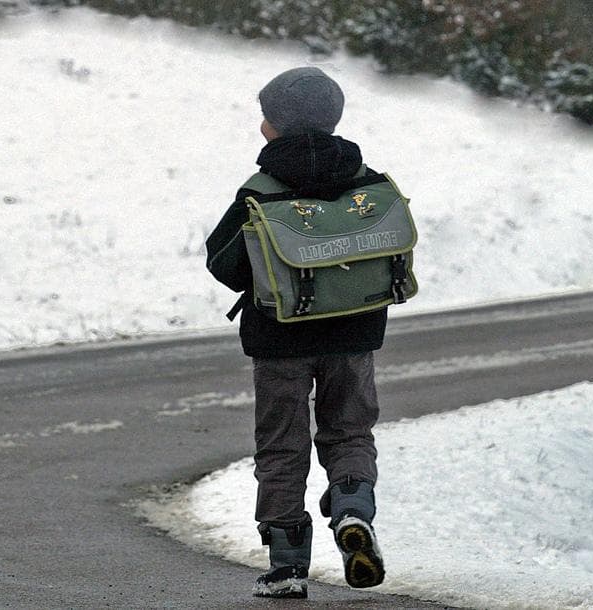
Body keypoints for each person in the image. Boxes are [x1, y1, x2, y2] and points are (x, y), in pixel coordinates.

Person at [205, 66, 386, 599]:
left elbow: (224, 262)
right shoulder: (368, 183)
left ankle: (286, 566)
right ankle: (353, 509)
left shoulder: (261, 190)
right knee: (350, 432)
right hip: (353, 336)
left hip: (280, 341)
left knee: (281, 447)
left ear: (275, 126)